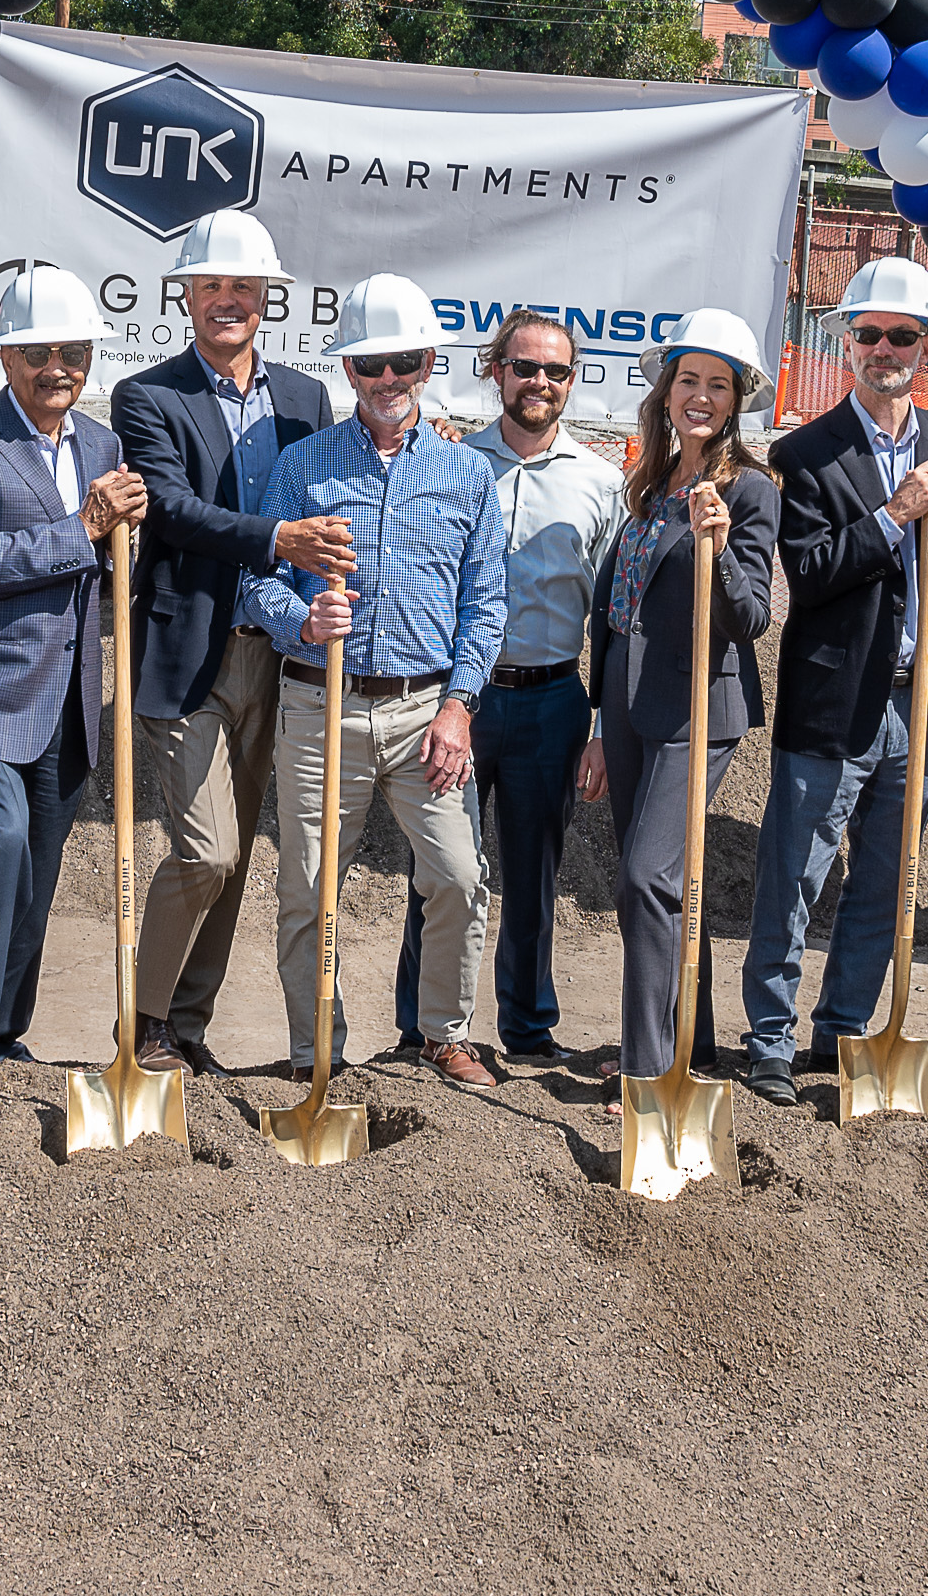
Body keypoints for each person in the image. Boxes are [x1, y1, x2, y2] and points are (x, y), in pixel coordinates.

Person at [244, 273, 506, 1090]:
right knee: (309, 888)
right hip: (318, 707)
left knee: (458, 876)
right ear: (346, 369)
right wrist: (299, 621)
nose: (386, 379)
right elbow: (256, 582)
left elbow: (485, 602)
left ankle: (443, 1035)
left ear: (428, 363)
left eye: (402, 362)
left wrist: (458, 708)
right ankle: (313, 1049)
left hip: (426, 711)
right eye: (368, 364)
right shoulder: (303, 465)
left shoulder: (466, 474)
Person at [734, 262, 928, 1102]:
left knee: (883, 883)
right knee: (794, 878)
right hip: (833, 699)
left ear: (926, 347)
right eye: (869, 334)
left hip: (917, 701)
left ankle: (840, 1031)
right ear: (846, 344)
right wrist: (894, 514)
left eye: (901, 335)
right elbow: (810, 574)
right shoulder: (805, 452)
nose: (885, 349)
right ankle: (768, 1039)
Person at [0, 266, 142, 1121]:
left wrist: (127, 539)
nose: (57, 368)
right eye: (38, 352)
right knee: (1, 841)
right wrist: (83, 528)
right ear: (4, 357)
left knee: (37, 878)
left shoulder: (101, 447)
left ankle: (0, 1032)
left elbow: (105, 570)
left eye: (72, 352)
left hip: (67, 700)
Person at [116, 210, 344, 1070]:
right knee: (206, 850)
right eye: (210, 284)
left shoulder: (304, 400)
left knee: (237, 856)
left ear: (265, 298)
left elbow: (324, 497)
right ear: (185, 295)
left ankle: (187, 1027)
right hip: (185, 654)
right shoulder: (149, 396)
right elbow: (171, 510)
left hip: (277, 654)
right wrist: (278, 539)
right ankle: (141, 1021)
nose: (227, 299)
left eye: (242, 286)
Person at [397, 307, 620, 1066]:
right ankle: (419, 1029)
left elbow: (613, 617)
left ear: (572, 381)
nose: (539, 382)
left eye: (555, 370)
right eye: (524, 367)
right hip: (459, 701)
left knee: (533, 877)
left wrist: (600, 727)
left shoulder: (602, 483)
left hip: (552, 702)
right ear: (496, 372)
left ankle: (526, 1029)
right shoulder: (451, 463)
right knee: (441, 873)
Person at [583, 309, 778, 1091]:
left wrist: (719, 548)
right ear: (665, 392)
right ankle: (682, 1044)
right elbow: (616, 609)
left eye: (717, 385)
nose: (700, 396)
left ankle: (647, 1070)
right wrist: (600, 722)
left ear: (735, 401)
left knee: (646, 880)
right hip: (629, 705)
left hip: (696, 708)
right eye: (688, 380)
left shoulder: (750, 489)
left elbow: (749, 619)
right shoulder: (647, 482)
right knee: (657, 891)